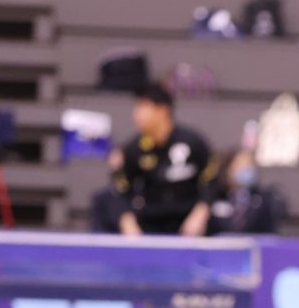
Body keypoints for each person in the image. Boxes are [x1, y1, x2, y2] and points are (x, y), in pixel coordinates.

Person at [91, 84, 213, 237]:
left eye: (142, 108)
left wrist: (201, 212)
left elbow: (211, 180)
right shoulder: (135, 149)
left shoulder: (193, 142)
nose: (136, 116)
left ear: (162, 110)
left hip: (189, 225)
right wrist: (127, 221)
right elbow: (120, 190)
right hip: (151, 225)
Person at [186, 148, 285, 236]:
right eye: (240, 165)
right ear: (228, 169)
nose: (245, 169)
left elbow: (270, 233)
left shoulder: (263, 199)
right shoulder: (213, 197)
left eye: (249, 165)